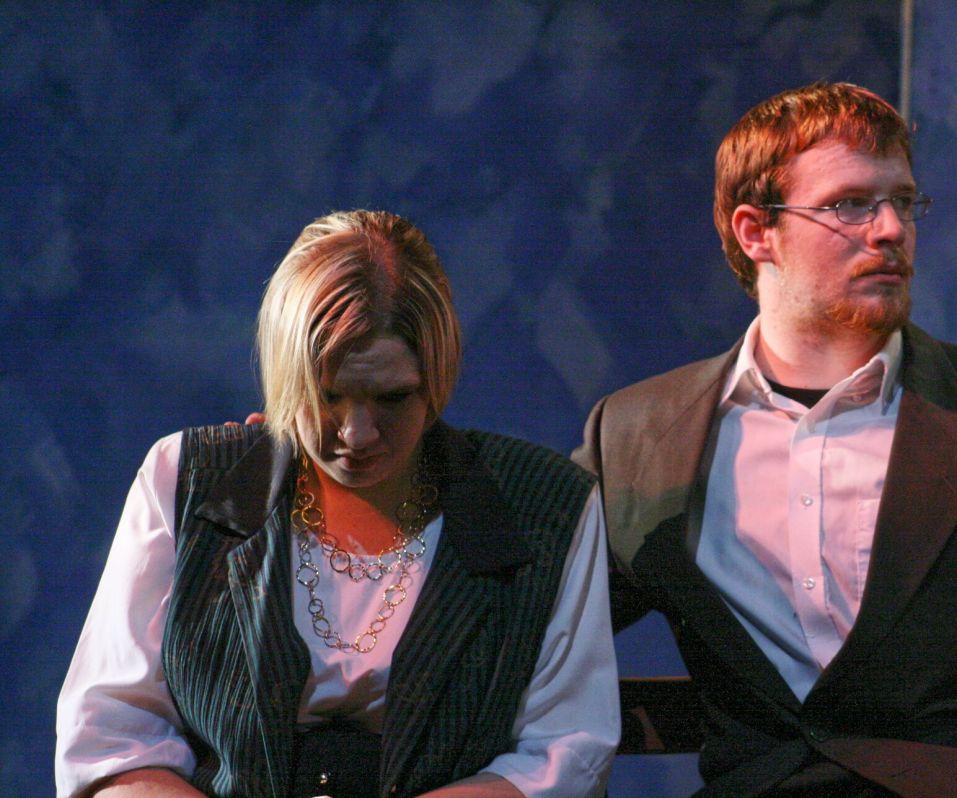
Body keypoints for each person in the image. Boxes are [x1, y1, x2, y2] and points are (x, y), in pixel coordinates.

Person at [574, 83, 957, 798]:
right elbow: (531, 625)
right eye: (850, 204)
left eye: (903, 202)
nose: (890, 229)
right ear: (757, 232)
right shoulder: (638, 433)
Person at [56, 210, 619, 797]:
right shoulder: (189, 481)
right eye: (326, 395)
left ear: (437, 378)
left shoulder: (543, 507)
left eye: (392, 398)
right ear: (286, 376)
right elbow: (110, 737)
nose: (357, 434)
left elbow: (565, 752)